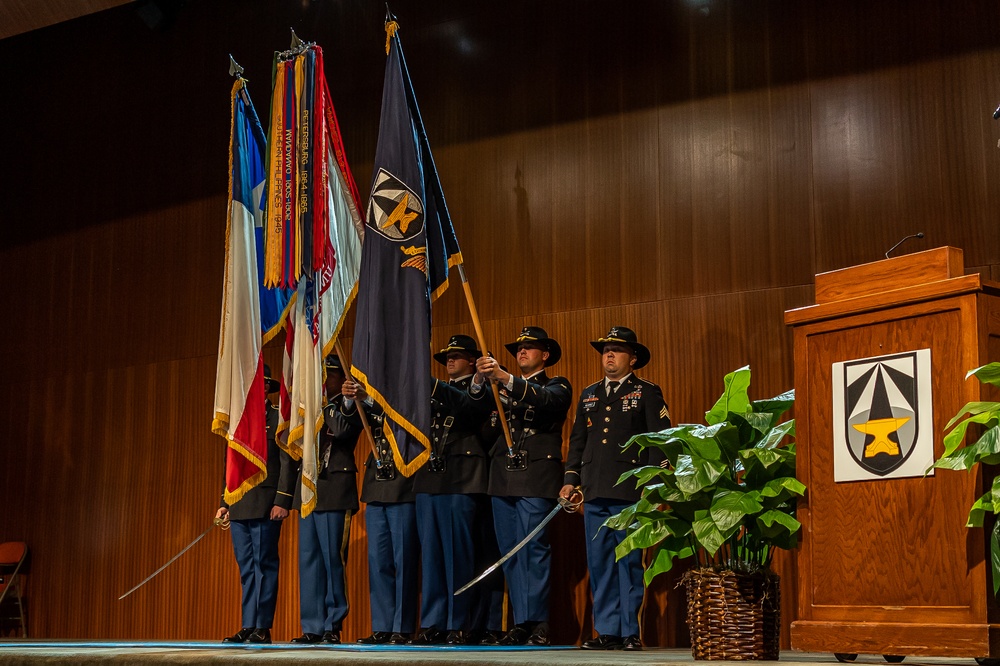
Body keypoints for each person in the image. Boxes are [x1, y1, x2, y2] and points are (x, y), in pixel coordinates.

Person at [559, 326, 671, 651]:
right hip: (594, 492)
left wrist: (652, 487)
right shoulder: (589, 393)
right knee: (600, 564)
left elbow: (658, 442)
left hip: (630, 494)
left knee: (630, 562)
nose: (609, 354)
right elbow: (578, 442)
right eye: (606, 349)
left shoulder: (647, 392)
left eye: (617, 349)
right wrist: (570, 482)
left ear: (632, 358)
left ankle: (630, 632)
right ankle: (607, 631)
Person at [470, 326, 572, 646]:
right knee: (510, 554)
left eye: (530, 347)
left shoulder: (557, 384)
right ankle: (521, 621)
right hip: (502, 478)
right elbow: (481, 430)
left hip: (536, 477)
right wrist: (479, 383)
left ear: (545, 355)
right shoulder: (500, 391)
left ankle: (539, 622)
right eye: (519, 348)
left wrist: (503, 377)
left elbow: (547, 403)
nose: (522, 352)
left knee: (533, 551)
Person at [409, 335, 492, 645]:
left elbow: (472, 412)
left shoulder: (479, 387)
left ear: (472, 360)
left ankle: (460, 622)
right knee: (431, 556)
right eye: (446, 356)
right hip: (431, 477)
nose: (449, 360)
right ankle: (433, 622)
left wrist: (430, 384)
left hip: (462, 477)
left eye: (456, 355)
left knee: (459, 555)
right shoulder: (429, 391)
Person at [218, 364, 295, 645]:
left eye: (259, 383)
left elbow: (287, 462)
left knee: (264, 565)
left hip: (266, 502)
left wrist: (282, 500)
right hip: (240, 502)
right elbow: (230, 466)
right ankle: (248, 624)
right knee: (246, 567)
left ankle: (262, 626)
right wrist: (225, 501)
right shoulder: (238, 420)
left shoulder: (276, 418)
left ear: (266, 388)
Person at [290, 355, 361, 645]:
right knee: (309, 560)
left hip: (335, 488)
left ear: (340, 378)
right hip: (309, 489)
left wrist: (325, 404)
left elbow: (343, 430)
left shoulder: (348, 406)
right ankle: (312, 626)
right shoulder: (308, 407)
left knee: (333, 559)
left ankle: (332, 624)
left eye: (328, 375)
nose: (322, 380)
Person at [342, 377, 418, 645]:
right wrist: (351, 399)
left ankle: (402, 626)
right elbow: (345, 425)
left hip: (403, 484)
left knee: (404, 560)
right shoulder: (372, 397)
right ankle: (383, 626)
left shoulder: (412, 394)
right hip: (376, 485)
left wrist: (368, 399)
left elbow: (400, 416)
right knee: (379, 562)